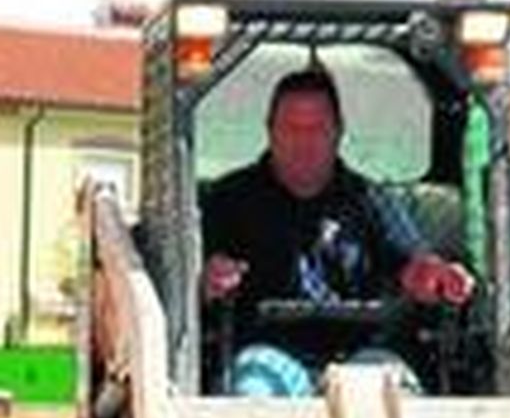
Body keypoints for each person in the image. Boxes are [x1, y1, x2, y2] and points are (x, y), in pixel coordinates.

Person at [199, 67, 474, 395]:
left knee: (395, 400)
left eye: (317, 129)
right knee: (253, 390)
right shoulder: (229, 200)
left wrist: (436, 277)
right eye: (292, 129)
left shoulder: (370, 200)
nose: (304, 142)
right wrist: (211, 280)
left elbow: (412, 266)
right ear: (270, 132)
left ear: (338, 133)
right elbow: (201, 279)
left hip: (360, 354)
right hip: (268, 351)